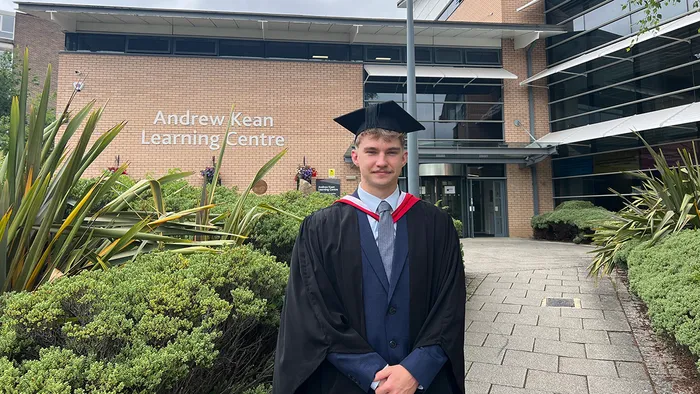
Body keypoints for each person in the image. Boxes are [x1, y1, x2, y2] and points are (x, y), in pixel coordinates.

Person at [273, 100, 465, 394]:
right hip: (347, 382)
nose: (381, 161)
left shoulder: (436, 225)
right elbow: (314, 311)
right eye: (371, 151)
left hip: (423, 383)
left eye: (391, 152)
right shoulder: (321, 228)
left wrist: (416, 369)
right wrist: (371, 373)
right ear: (355, 157)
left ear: (404, 158)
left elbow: (449, 305)